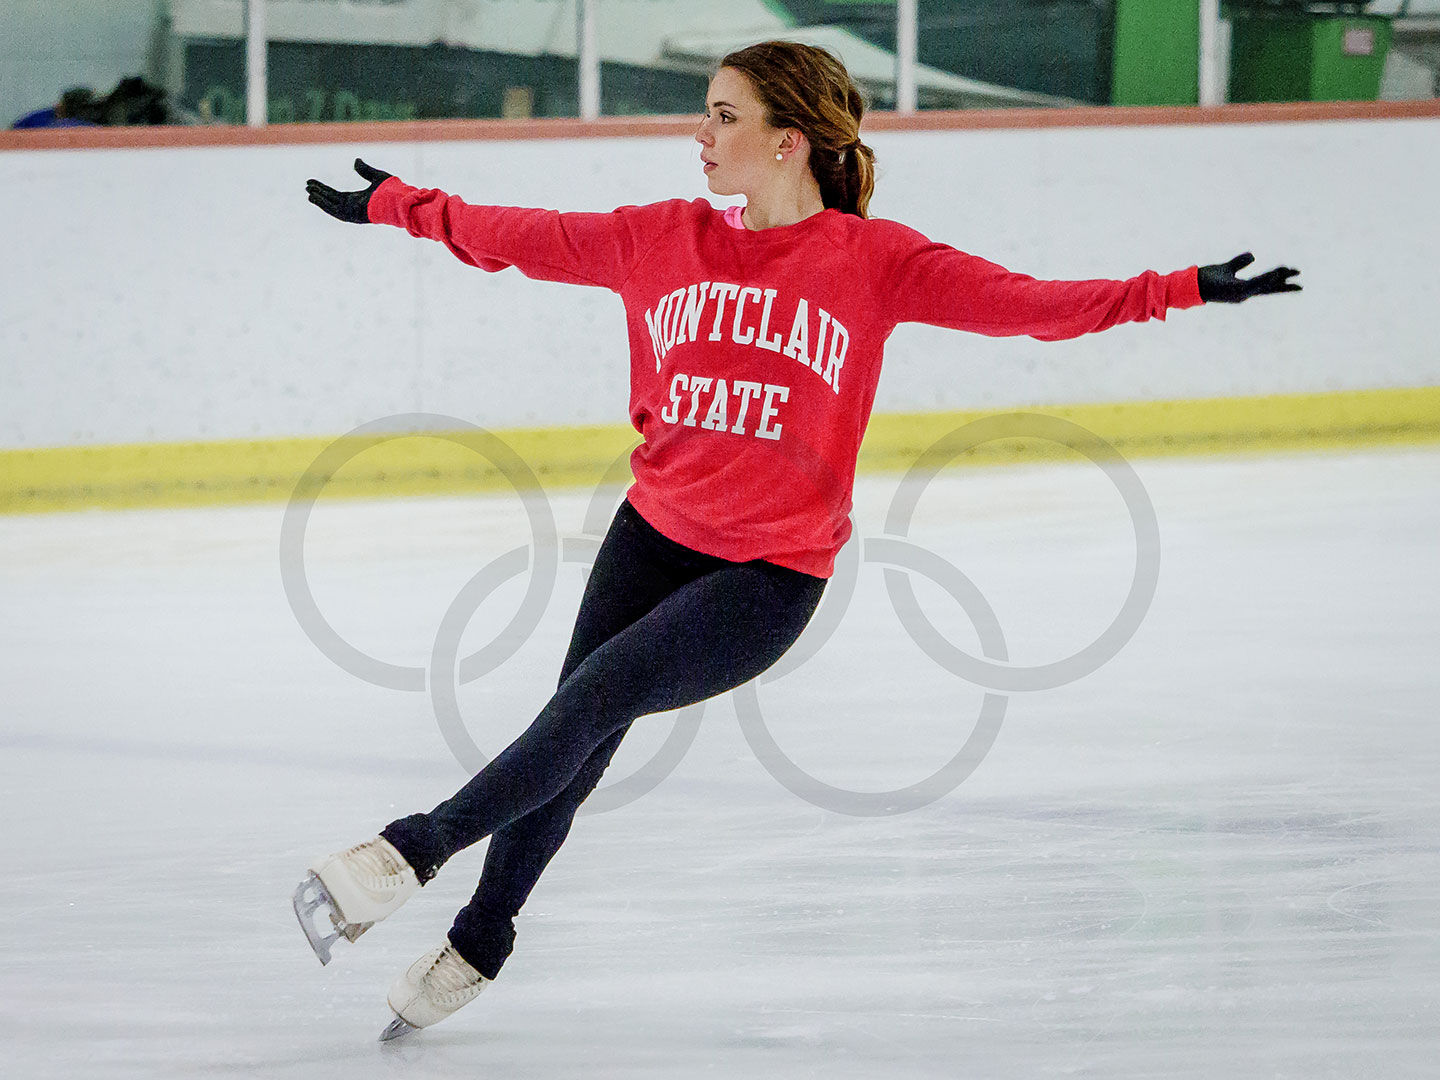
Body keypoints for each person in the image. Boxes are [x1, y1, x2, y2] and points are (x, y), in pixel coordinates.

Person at [295, 40, 1301, 1041]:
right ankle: (480, 943)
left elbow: (1033, 308)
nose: (702, 135)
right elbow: (522, 234)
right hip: (652, 534)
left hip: (768, 577)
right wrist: (399, 207)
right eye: (706, 113)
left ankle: (406, 855)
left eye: (724, 116)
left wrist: (1183, 287)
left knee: (598, 696)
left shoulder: (875, 262)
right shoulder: (663, 237)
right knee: (582, 727)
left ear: (789, 140)